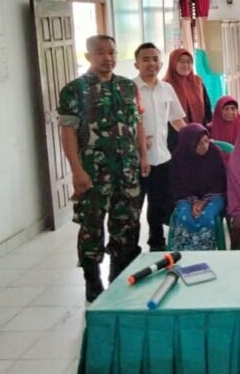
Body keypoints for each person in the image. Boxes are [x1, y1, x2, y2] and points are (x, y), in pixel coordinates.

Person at [58, 35, 148, 302]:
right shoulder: (74, 90)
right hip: (94, 173)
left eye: (112, 52)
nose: (107, 58)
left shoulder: (127, 87)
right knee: (92, 227)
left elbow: (138, 123)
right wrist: (77, 171)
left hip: (127, 171)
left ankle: (118, 278)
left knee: (127, 226)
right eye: (100, 53)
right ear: (88, 56)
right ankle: (92, 280)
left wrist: (143, 156)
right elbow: (68, 133)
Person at [133, 42, 186, 252]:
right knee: (133, 207)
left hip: (162, 157)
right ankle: (129, 248)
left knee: (158, 204)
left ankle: (156, 243)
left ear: (161, 63)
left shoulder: (167, 89)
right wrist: (135, 140)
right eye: (146, 59)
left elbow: (176, 119)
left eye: (155, 59)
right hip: (135, 159)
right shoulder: (129, 89)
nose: (151, 63)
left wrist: (195, 139)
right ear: (137, 64)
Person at [168, 124, 227, 251]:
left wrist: (204, 201)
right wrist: (194, 200)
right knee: (184, 216)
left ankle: (205, 251)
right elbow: (177, 186)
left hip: (214, 196)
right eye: (199, 143)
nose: (205, 146)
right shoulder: (179, 158)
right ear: (189, 144)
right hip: (186, 197)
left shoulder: (214, 153)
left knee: (207, 217)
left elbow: (220, 183)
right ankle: (185, 252)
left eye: (206, 141)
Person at [164, 48, 213, 150]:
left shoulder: (197, 81)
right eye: (181, 61)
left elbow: (207, 106)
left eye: (189, 62)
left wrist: (208, 130)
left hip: (199, 132)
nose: (186, 65)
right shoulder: (165, 85)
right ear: (173, 63)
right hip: (175, 136)